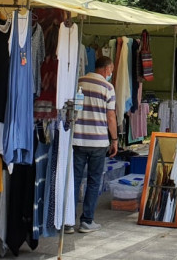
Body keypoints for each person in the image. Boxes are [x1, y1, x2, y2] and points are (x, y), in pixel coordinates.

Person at [70, 56, 118, 234]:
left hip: (77, 140)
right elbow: (111, 116)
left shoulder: (79, 82)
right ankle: (87, 221)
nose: (111, 73)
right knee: (93, 181)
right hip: (98, 142)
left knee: (73, 180)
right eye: (111, 70)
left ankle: (68, 222)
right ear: (106, 69)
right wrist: (114, 139)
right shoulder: (108, 87)